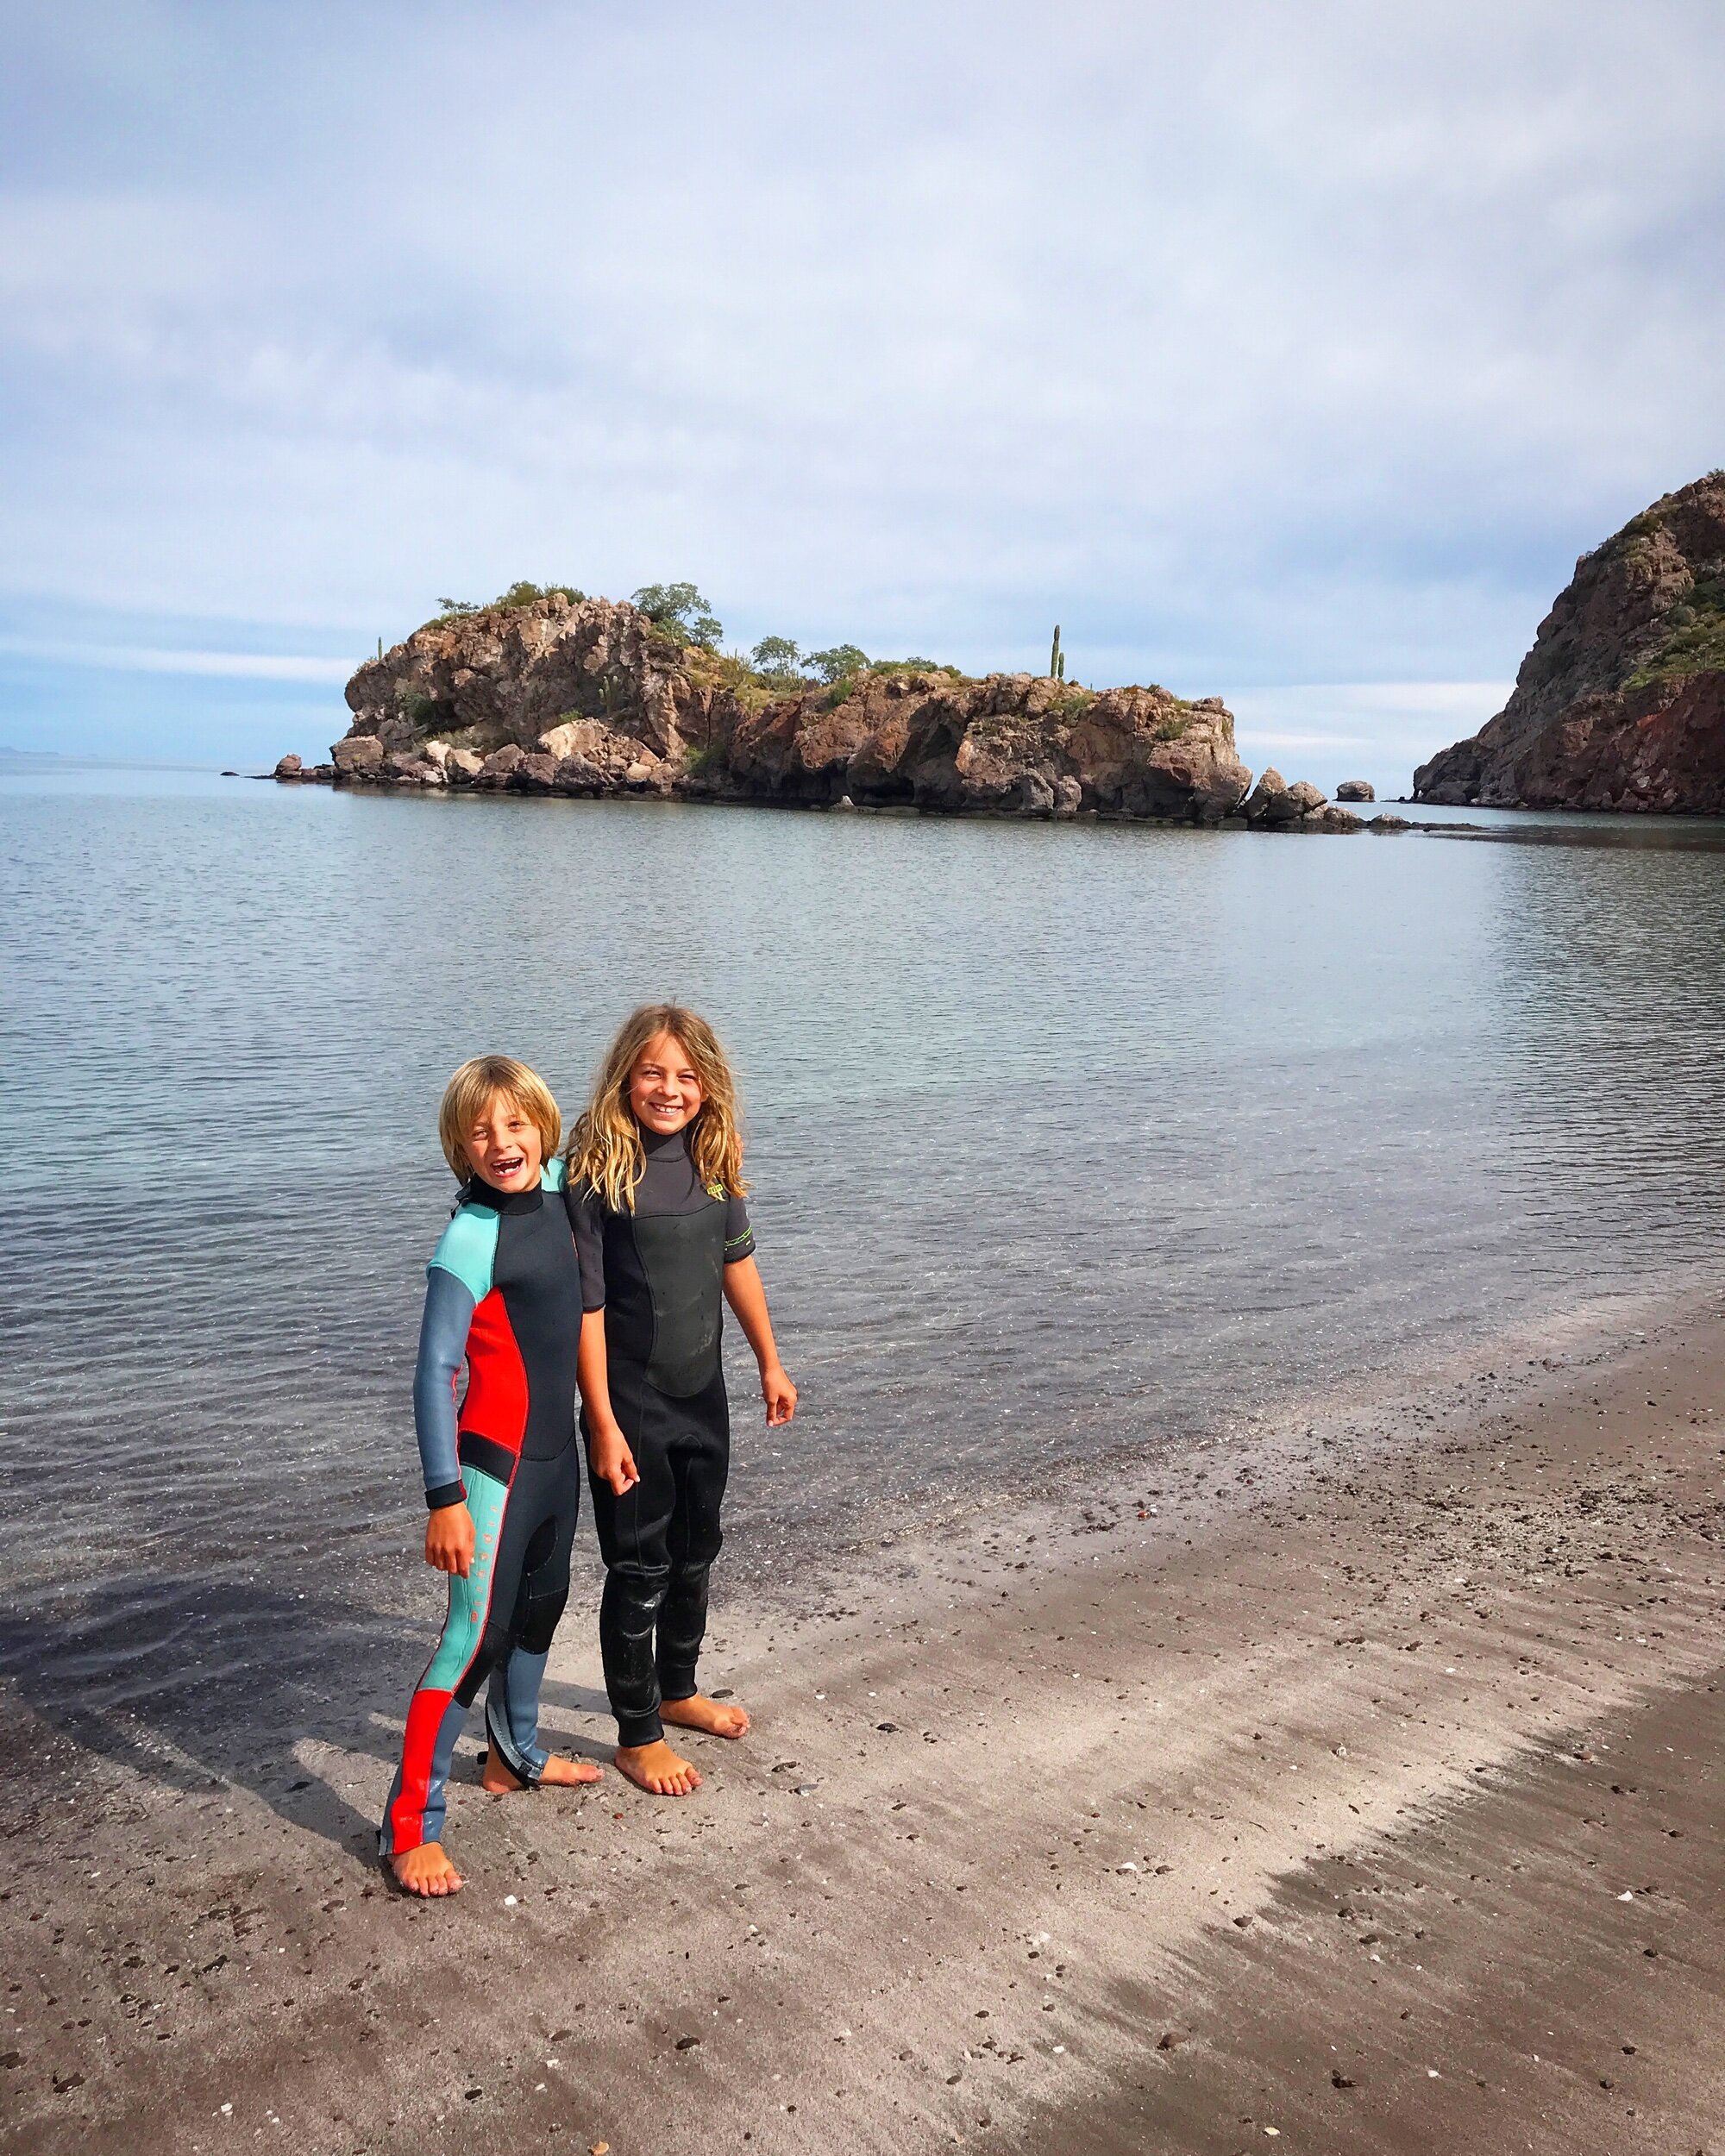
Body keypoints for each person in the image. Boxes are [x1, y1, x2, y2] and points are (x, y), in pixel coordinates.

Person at [380, 1056, 601, 1897]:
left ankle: (514, 1758)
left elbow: (621, 1127)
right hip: (493, 1468)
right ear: (458, 1146)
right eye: (480, 1131)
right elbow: (433, 1371)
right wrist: (443, 1498)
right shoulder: (469, 1237)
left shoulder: (560, 1186)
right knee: (470, 1641)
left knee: (540, 1610)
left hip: (557, 1459)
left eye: (516, 1124)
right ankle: (411, 1827)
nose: (502, 1143)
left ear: (543, 1127)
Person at [566, 1005, 796, 1796]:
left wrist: (770, 1362)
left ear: (709, 1085)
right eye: (653, 1073)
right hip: (630, 1406)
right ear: (624, 1078)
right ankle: (637, 1736)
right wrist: (601, 1421)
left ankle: (678, 1690)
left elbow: (736, 1262)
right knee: (639, 1565)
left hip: (703, 1395)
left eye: (687, 1076)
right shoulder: (597, 1174)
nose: (670, 1089)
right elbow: (587, 1313)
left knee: (698, 1549)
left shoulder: (713, 1156)